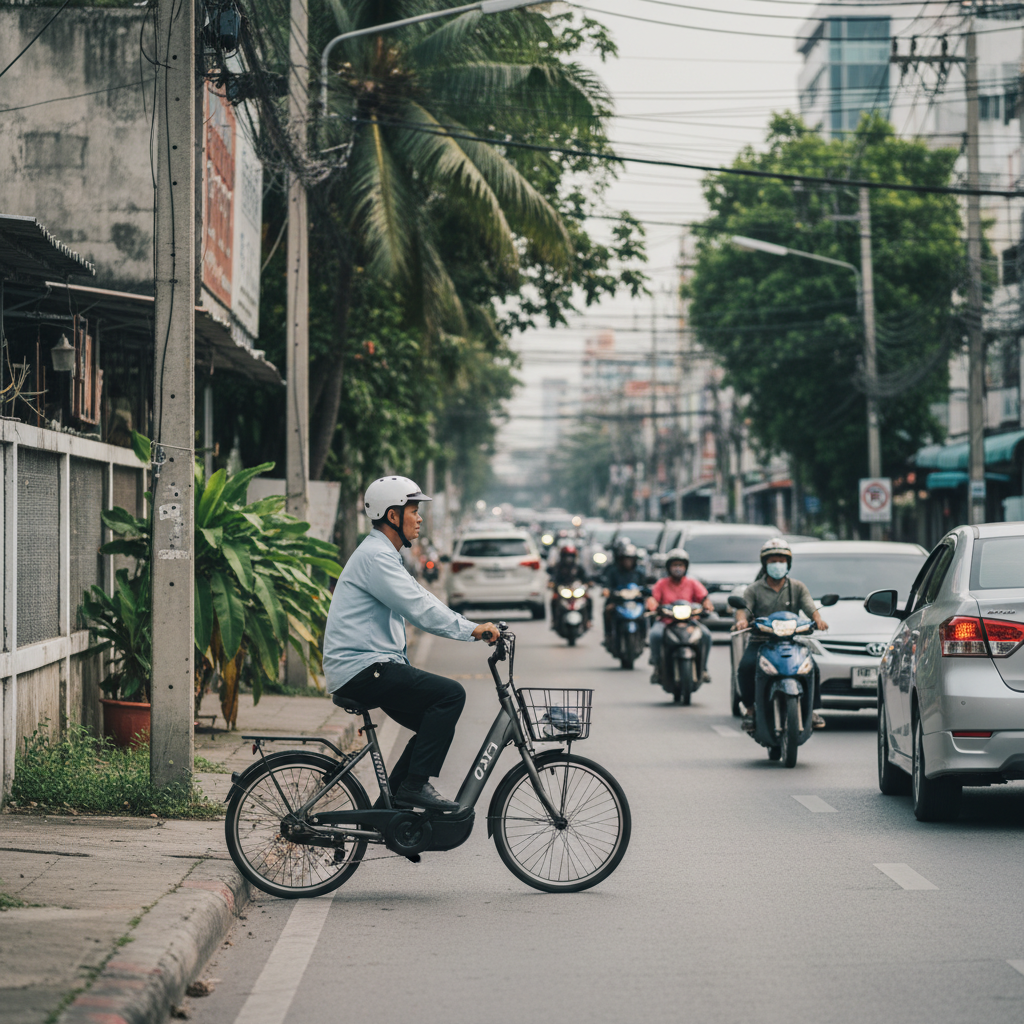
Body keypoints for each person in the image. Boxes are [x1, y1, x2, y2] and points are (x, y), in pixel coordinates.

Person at [322, 476, 500, 813]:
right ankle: (413, 787)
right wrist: (473, 630)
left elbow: (420, 597)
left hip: (368, 668)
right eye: (414, 511)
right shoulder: (376, 557)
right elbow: (419, 608)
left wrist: (470, 626)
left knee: (431, 723)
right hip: (363, 670)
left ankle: (384, 812)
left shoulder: (383, 555)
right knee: (450, 695)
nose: (419, 518)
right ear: (393, 516)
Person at [731, 537, 829, 732]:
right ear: (765, 563)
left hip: (791, 640)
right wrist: (741, 620)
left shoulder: (797, 587)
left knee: (813, 669)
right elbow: (743, 609)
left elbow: (810, 607)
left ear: (788, 564)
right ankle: (750, 709)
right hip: (761, 640)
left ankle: (812, 710)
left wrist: (818, 619)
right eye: (773, 560)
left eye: (781, 561)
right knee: (745, 668)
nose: (777, 564)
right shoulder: (753, 589)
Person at [645, 548, 714, 686]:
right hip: (666, 621)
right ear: (669, 567)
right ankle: (658, 667)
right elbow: (653, 599)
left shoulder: (692, 583)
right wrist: (652, 605)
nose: (677, 568)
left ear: (686, 567)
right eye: (674, 565)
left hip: (690, 622)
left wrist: (707, 605)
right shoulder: (662, 583)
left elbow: (704, 598)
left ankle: (704, 669)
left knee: (706, 635)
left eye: (680, 565)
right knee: (655, 634)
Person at [599, 539, 648, 646]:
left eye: (630, 559)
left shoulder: (639, 572)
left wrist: (648, 593)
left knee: (647, 613)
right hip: (617, 601)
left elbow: (645, 585)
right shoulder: (612, 570)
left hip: (635, 601)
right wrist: (606, 590)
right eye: (625, 559)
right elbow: (606, 584)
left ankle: (644, 637)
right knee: (607, 611)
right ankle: (608, 635)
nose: (628, 562)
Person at [547, 544, 592, 630]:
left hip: (575, 590)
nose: (569, 559)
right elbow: (553, 578)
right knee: (554, 599)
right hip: (562, 590)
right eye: (567, 556)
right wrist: (551, 583)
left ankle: (588, 620)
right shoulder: (558, 567)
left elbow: (586, 578)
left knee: (588, 598)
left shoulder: (578, 567)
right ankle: (554, 620)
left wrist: (589, 583)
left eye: (571, 556)